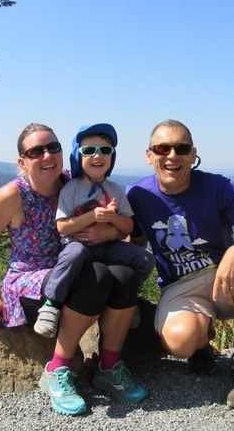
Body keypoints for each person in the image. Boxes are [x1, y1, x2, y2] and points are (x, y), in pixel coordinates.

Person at [0, 123, 148, 416]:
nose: (47, 155)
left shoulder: (74, 182)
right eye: (36, 151)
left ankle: (109, 367)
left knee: (125, 275)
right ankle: (57, 370)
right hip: (32, 276)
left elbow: (113, 220)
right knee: (96, 276)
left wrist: (109, 233)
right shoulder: (11, 196)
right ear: (22, 161)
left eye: (52, 147)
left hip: (78, 264)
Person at [126, 119, 234, 409]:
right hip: (181, 286)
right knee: (180, 341)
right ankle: (200, 345)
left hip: (226, 276)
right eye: (162, 148)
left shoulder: (217, 187)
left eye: (181, 148)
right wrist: (122, 294)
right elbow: (134, 243)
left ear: (193, 154)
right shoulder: (137, 195)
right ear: (149, 155)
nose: (172, 156)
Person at [34, 123, 155, 338]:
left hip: (109, 247)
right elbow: (62, 226)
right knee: (73, 255)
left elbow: (128, 227)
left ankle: (123, 299)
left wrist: (113, 218)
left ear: (112, 157)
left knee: (145, 259)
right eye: (89, 150)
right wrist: (92, 216)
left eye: (105, 150)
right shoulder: (71, 189)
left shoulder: (115, 190)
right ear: (78, 156)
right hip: (78, 246)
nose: (97, 156)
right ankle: (51, 304)